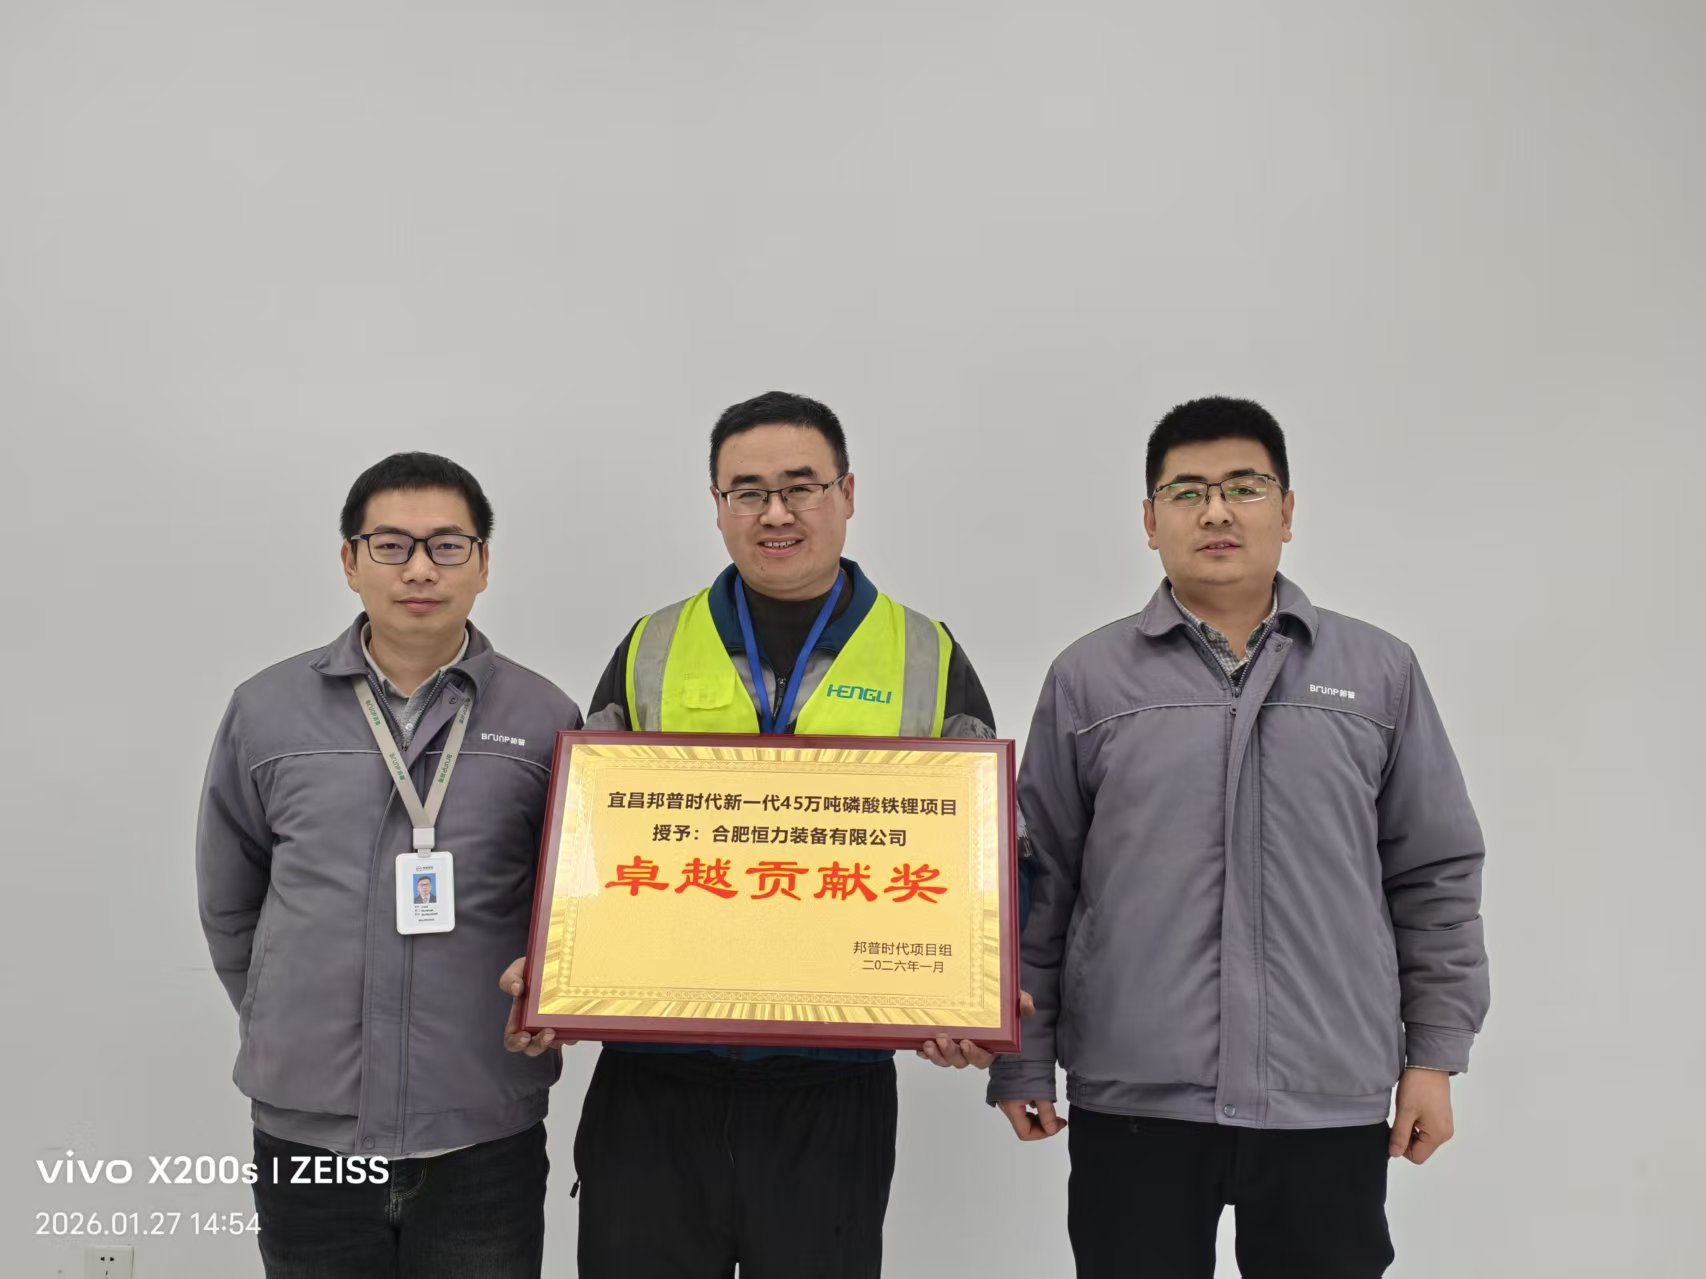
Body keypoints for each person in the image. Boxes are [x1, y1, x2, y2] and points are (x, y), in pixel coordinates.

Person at [500, 391, 999, 1278]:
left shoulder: (925, 651)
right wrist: (553, 967)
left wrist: (970, 992)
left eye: (801, 487)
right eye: (748, 491)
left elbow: (983, 858)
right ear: (717, 505)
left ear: (848, 494)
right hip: (655, 1081)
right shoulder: (653, 644)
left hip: (829, 1089)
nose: (776, 513)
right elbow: (582, 842)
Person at [987, 397, 1490, 1278]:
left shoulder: (1379, 673)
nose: (1215, 511)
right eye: (1186, 491)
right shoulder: (1088, 679)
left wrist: (1434, 1057)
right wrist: (1021, 1060)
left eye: (1244, 487)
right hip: (1136, 1100)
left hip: (1324, 1095)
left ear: (1286, 510)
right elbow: (1038, 879)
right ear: (1150, 521)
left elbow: (1434, 875)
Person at [197, 452, 581, 1278]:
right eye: (391, 545)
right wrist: (280, 1013)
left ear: (483, 563)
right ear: (350, 560)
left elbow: (571, 907)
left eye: (447, 545)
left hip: (482, 1124)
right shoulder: (266, 710)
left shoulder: (545, 718)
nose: (419, 569)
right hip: (309, 1124)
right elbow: (230, 901)